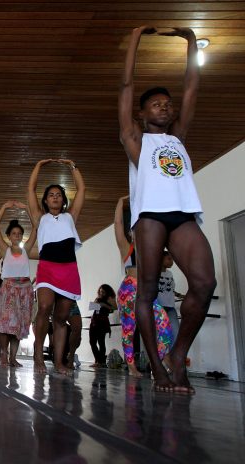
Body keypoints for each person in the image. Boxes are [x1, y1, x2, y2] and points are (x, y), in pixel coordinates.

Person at [119, 25, 215, 393]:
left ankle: (178, 354)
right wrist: (136, 38)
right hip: (150, 218)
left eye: (167, 103)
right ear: (142, 113)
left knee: (205, 283)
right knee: (145, 294)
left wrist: (190, 41)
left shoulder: (178, 136)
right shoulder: (135, 139)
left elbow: (192, 87)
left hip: (182, 215)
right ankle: (157, 369)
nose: (165, 106)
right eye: (156, 103)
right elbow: (126, 88)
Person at [27, 158, 85, 375]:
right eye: (51, 194)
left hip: (69, 269)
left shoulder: (71, 216)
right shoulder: (39, 218)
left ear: (63, 201)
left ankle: (59, 362)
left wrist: (72, 166)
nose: (55, 197)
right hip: (47, 267)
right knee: (44, 308)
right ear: (45, 200)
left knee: (61, 319)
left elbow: (81, 189)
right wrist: (39, 166)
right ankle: (38, 353)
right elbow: (31, 189)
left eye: (58, 195)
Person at [114, 196, 173, 377]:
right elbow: (117, 224)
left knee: (163, 323)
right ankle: (132, 366)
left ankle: (162, 358)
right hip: (129, 290)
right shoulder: (127, 248)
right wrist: (120, 202)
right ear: (132, 233)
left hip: (147, 290)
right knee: (129, 329)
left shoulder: (153, 249)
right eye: (135, 230)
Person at [0, 201, 38, 367]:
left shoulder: (26, 249)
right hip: (9, 288)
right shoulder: (5, 249)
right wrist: (4, 208)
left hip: (25, 289)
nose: (17, 236)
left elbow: (35, 227)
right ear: (9, 236)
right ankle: (3, 355)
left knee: (19, 325)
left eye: (19, 233)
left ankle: (13, 358)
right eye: (14, 233)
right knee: (6, 325)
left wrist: (27, 209)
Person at [158, 251, 184, 344]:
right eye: (169, 259)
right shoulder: (154, 273)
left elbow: (170, 289)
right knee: (162, 335)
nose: (172, 262)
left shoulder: (170, 274)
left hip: (170, 307)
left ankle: (173, 356)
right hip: (159, 308)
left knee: (175, 332)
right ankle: (163, 357)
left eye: (172, 259)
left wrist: (179, 295)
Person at [88, 284, 117, 367]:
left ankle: (101, 361)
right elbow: (94, 308)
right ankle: (98, 360)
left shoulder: (110, 297)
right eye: (100, 291)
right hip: (94, 321)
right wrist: (95, 304)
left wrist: (104, 305)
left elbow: (115, 308)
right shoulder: (98, 298)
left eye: (103, 292)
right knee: (92, 342)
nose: (101, 293)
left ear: (107, 292)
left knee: (101, 342)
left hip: (103, 322)